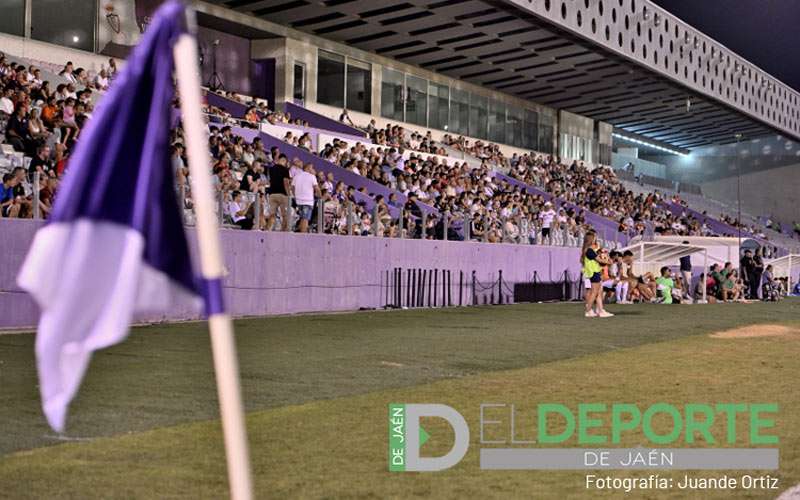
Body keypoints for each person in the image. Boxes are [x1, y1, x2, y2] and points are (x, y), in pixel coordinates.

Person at [582, 231, 613, 318]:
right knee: (594, 293)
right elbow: (599, 260)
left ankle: (600, 310)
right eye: (594, 237)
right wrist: (608, 262)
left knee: (598, 292)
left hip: (595, 272)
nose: (596, 239)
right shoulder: (589, 251)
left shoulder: (590, 250)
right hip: (593, 273)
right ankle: (588, 310)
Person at [291, 162, 320, 233]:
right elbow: (317, 188)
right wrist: (320, 196)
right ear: (308, 168)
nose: (313, 170)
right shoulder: (311, 177)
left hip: (298, 201)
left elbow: (292, 187)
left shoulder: (297, 176)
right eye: (312, 168)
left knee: (302, 218)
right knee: (305, 218)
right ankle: (303, 235)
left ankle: (301, 232)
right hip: (307, 201)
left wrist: (296, 196)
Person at [266, 154, 291, 231]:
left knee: (272, 214)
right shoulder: (285, 170)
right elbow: (286, 182)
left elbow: (270, 180)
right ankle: (283, 231)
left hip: (272, 194)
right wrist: (289, 194)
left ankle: (268, 230)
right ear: (284, 160)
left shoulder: (271, 169)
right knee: (285, 215)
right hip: (282, 194)